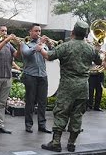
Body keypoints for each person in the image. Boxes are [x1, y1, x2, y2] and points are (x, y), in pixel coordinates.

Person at [39, 21, 102, 152]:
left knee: (61, 112)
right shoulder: (90, 48)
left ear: (73, 32)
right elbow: (99, 61)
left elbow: (49, 56)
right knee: (77, 115)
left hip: (67, 86)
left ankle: (56, 142)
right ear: (85, 35)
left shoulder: (66, 46)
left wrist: (41, 49)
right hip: (83, 87)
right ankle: (71, 143)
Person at [0, 25, 20, 135]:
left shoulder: (9, 45)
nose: (5, 32)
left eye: (6, 30)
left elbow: (17, 55)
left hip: (7, 76)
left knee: (2, 103)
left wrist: (19, 45)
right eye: (2, 30)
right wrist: (6, 41)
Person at [19, 23, 52, 134]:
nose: (38, 33)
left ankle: (42, 125)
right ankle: (28, 125)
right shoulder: (25, 43)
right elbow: (26, 53)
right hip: (30, 75)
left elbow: (49, 55)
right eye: (36, 31)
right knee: (30, 101)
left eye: (39, 31)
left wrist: (50, 46)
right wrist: (38, 45)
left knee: (43, 102)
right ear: (30, 32)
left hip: (43, 75)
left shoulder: (44, 44)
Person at [87, 44, 104, 111]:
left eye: (99, 46)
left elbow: (103, 63)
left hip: (100, 74)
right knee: (90, 90)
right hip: (91, 74)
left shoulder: (102, 53)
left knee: (99, 90)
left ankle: (97, 106)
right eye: (96, 46)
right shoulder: (91, 53)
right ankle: (89, 105)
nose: (98, 47)